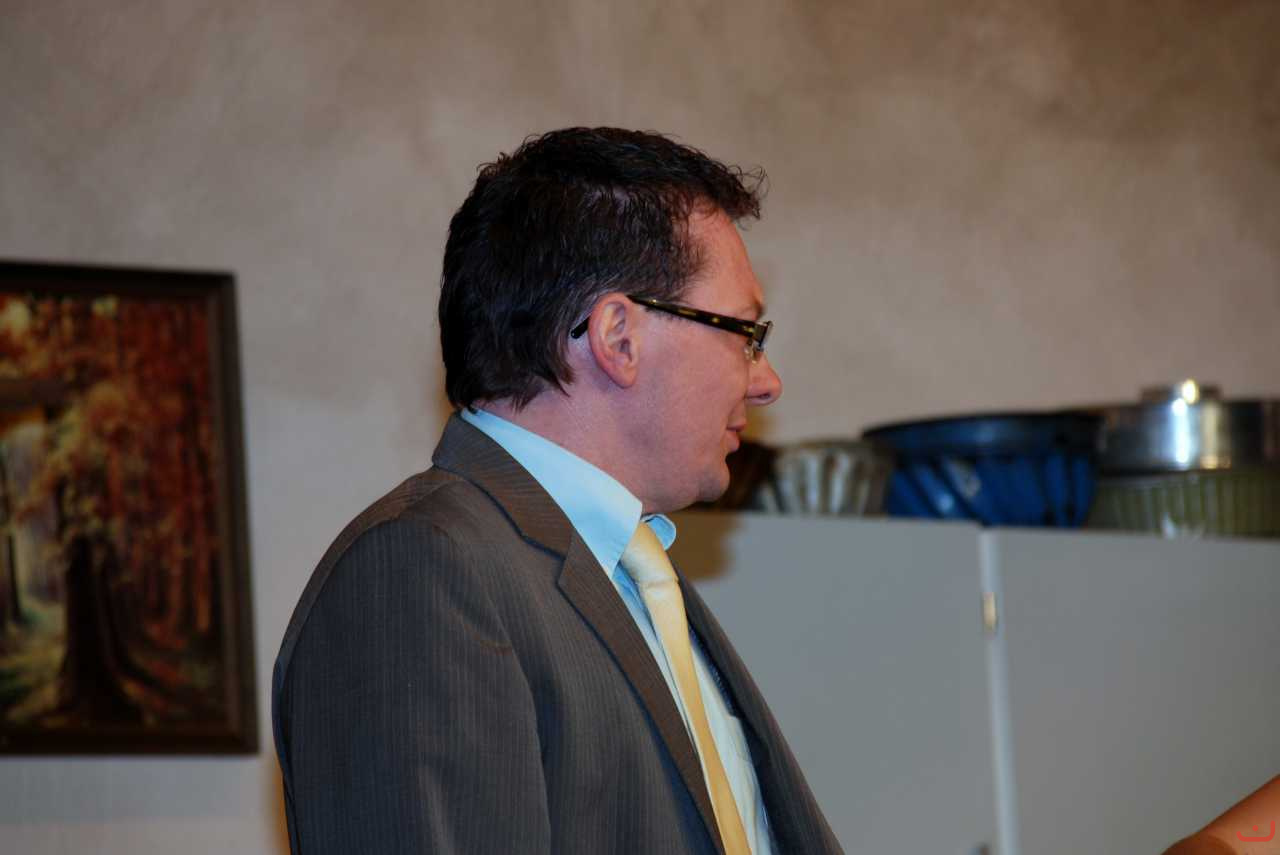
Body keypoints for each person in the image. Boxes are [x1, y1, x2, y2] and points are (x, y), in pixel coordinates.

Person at [271, 127, 842, 855]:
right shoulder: (419, 573)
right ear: (618, 336)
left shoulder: (632, 574)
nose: (766, 381)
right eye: (744, 333)